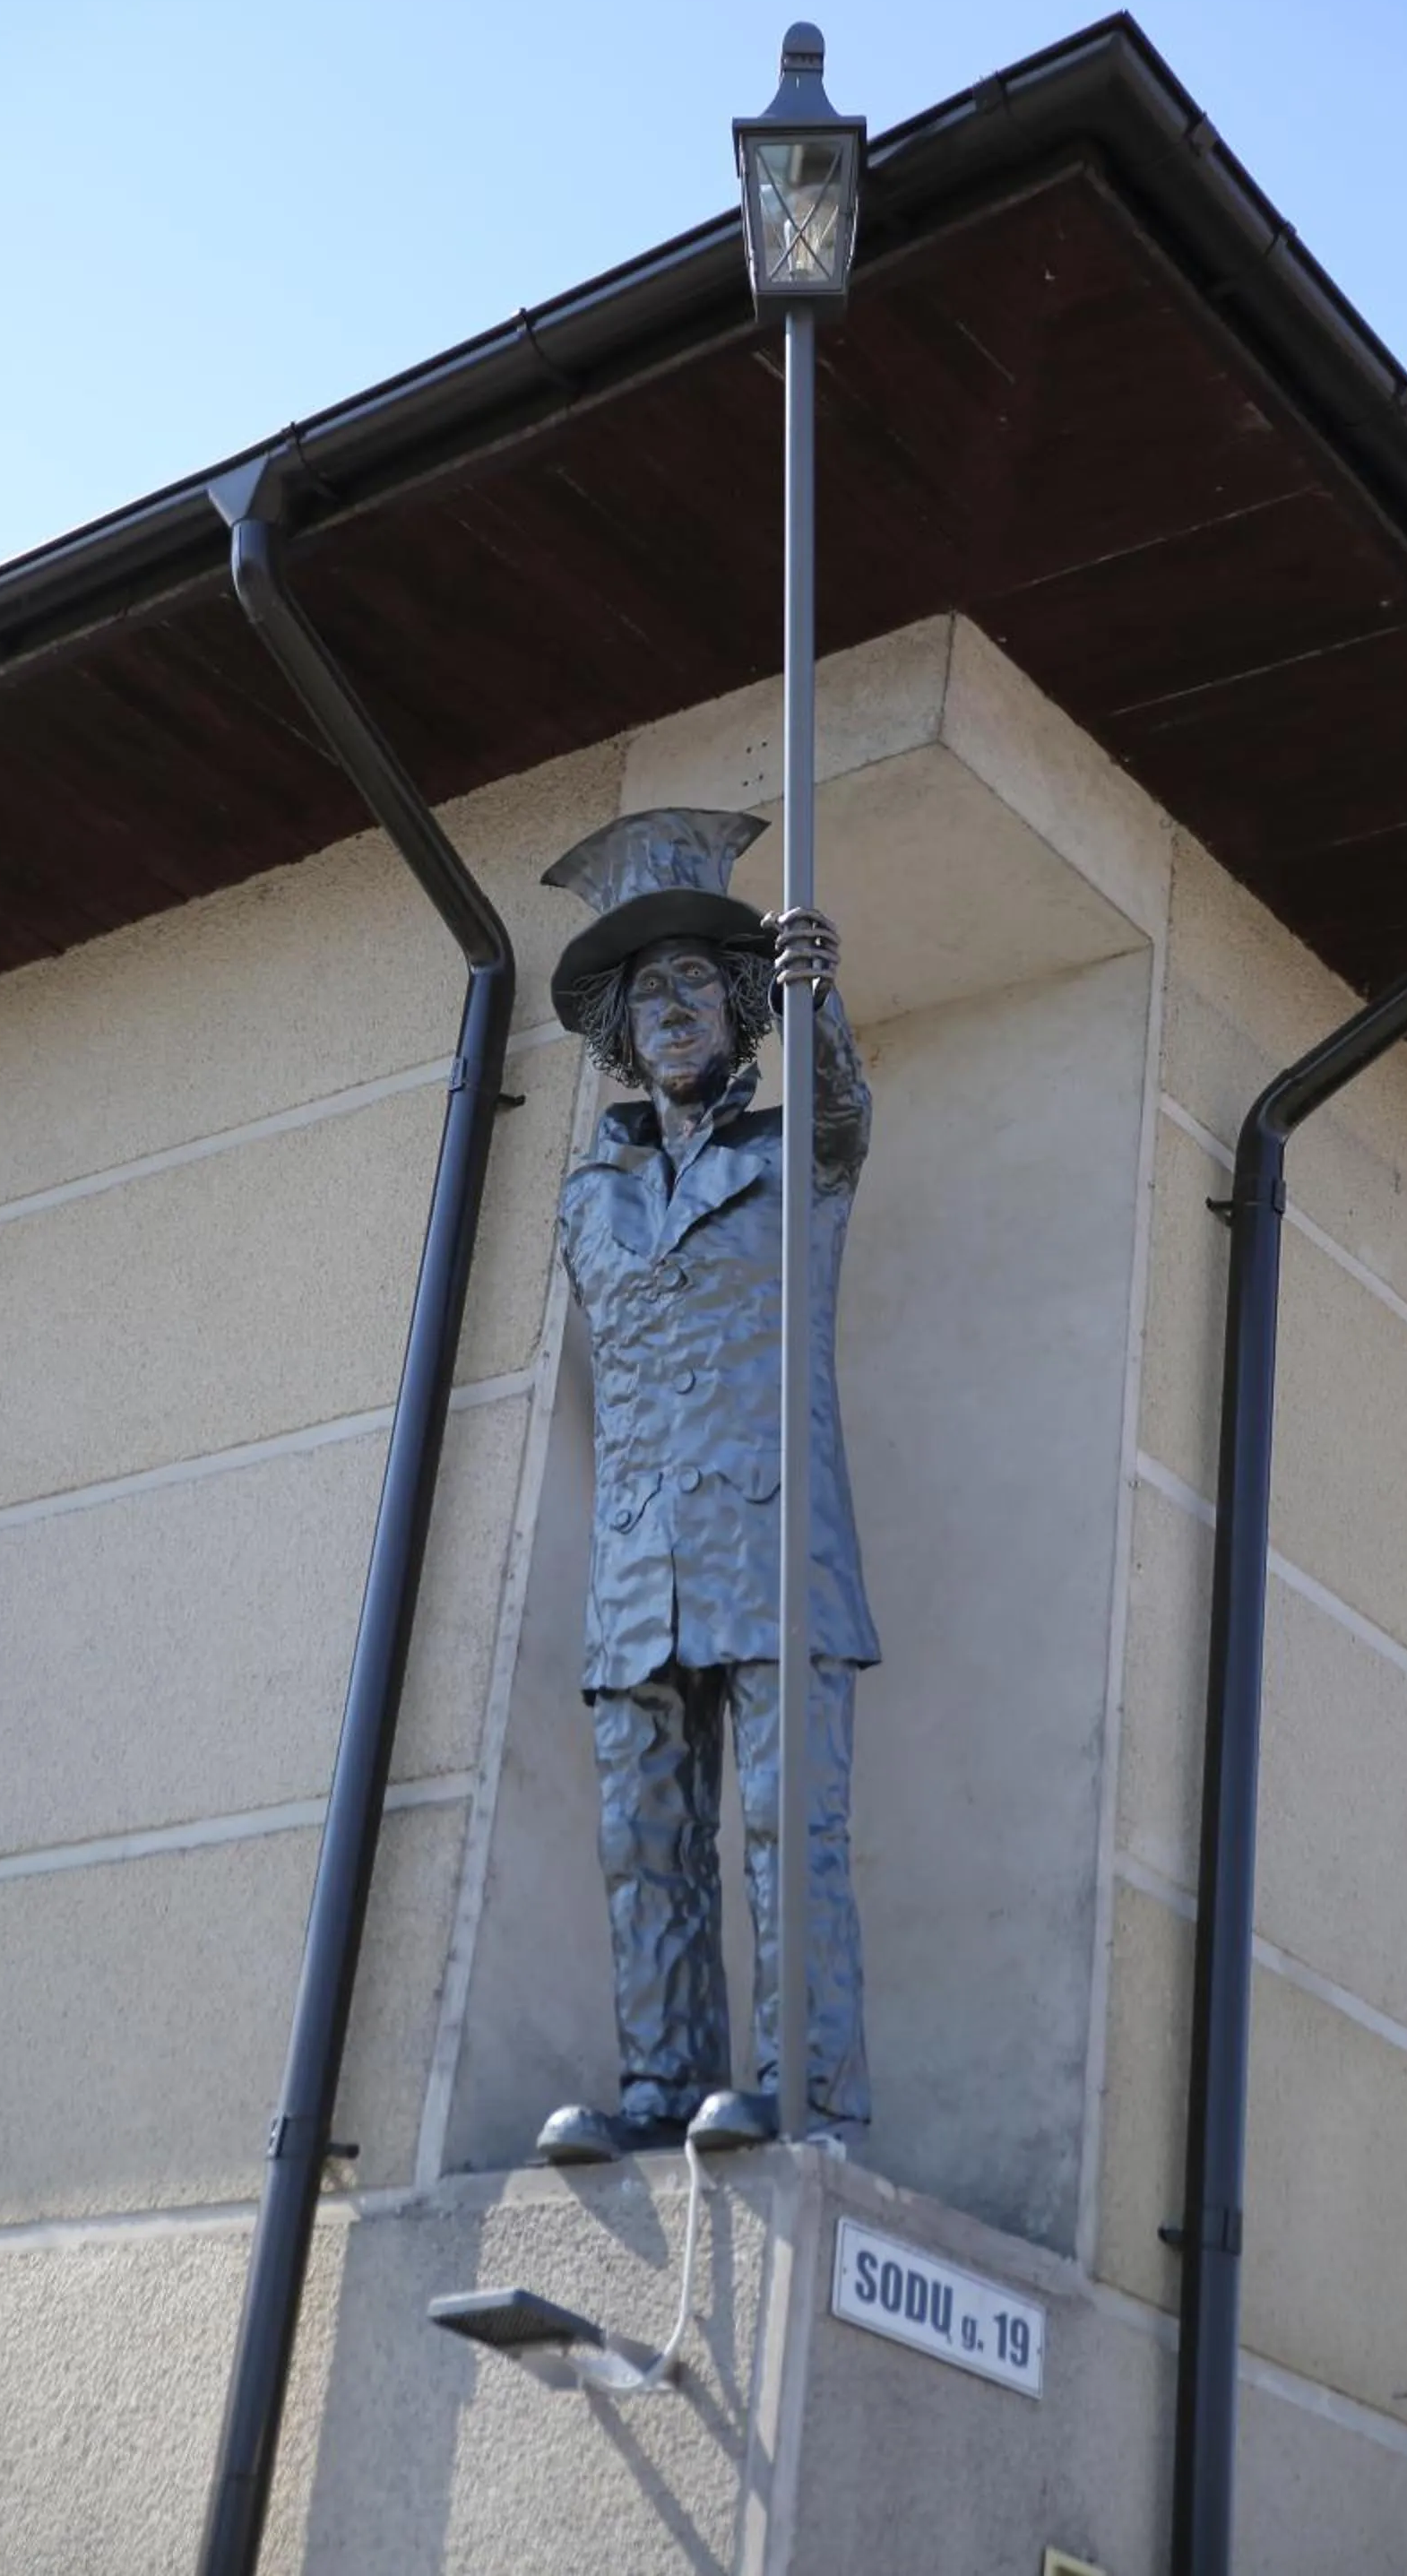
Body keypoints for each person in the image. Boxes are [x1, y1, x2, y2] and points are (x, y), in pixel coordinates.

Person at [532, 807, 880, 2164]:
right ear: (620, 1036)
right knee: (644, 1837)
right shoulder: (590, 1201)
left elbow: (842, 1114)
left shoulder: (796, 1157)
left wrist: (816, 1002)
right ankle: (662, 2088)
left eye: (695, 983)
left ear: (739, 1010)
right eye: (646, 995)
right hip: (639, 1569)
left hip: (774, 1544)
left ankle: (806, 2091)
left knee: (787, 1829)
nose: (673, 1010)